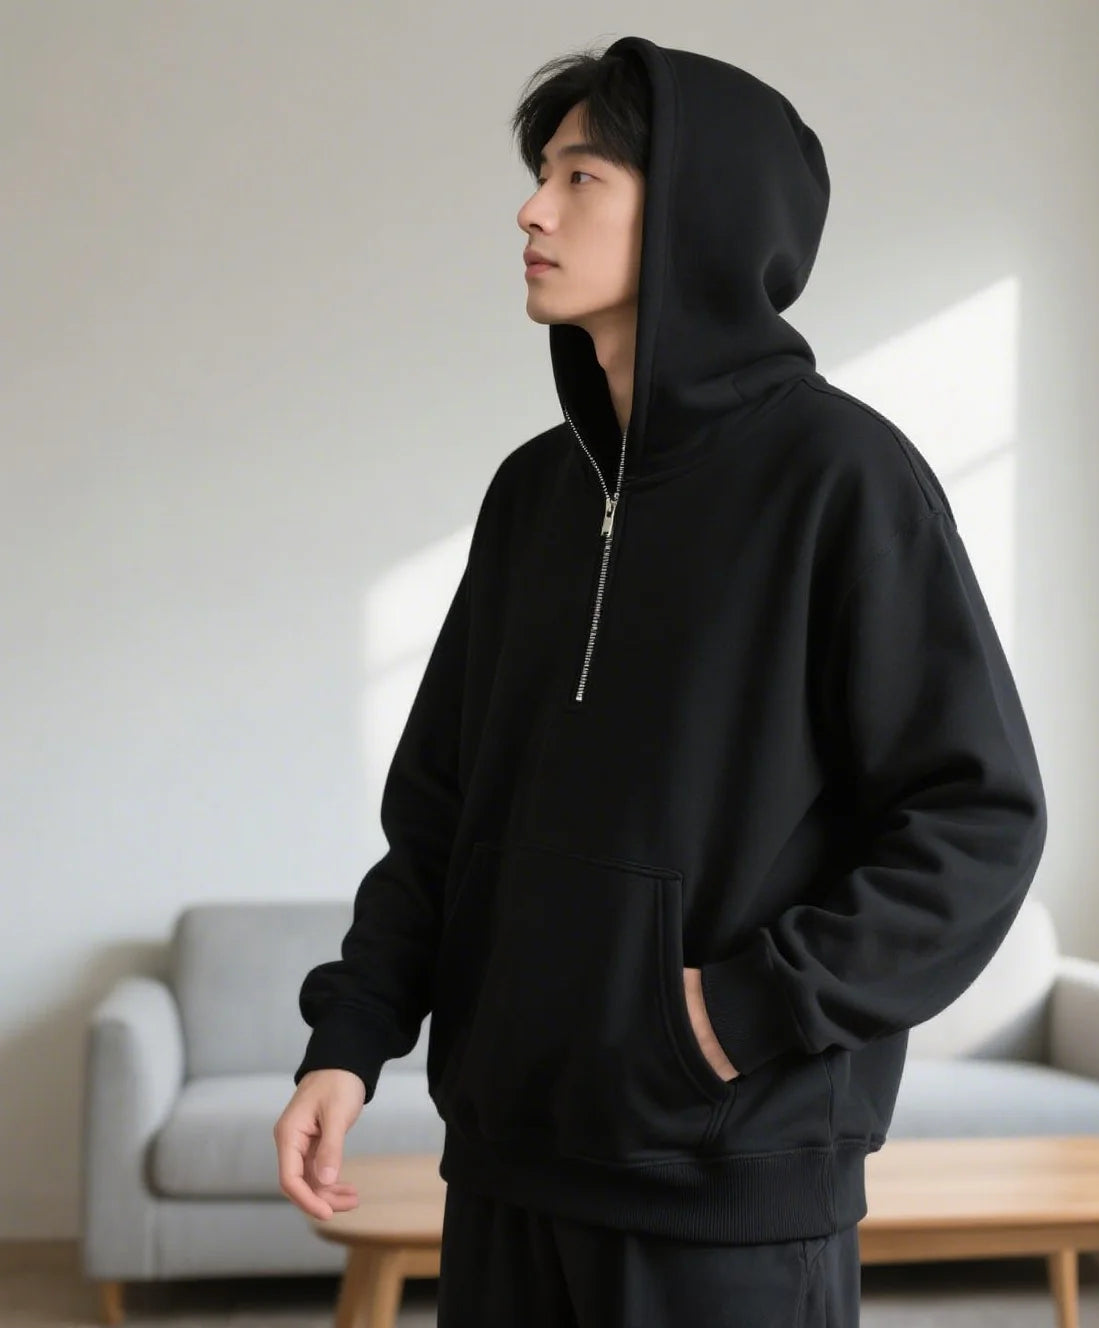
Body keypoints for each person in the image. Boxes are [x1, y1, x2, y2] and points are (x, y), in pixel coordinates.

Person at [273, 34, 1048, 1328]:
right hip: (507, 1173)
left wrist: (737, 1014)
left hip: (727, 1189)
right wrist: (350, 1041)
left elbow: (979, 820)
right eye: (539, 176)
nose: (532, 210)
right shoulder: (533, 494)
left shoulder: (843, 481)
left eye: (581, 177)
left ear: (697, 209)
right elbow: (442, 811)